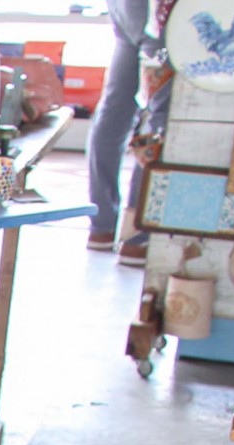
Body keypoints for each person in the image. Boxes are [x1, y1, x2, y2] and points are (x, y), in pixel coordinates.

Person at [86, 0, 160, 261]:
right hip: (158, 13)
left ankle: (101, 225)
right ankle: (136, 236)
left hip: (126, 10)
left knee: (115, 109)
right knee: (159, 112)